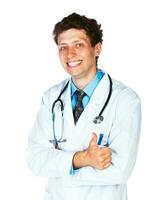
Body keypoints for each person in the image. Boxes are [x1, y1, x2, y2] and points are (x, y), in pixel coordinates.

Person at [27, 13, 141, 200]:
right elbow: (34, 160)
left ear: (97, 49)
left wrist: (60, 169)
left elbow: (120, 170)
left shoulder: (126, 100)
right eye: (63, 47)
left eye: (78, 45)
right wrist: (83, 159)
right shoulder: (51, 98)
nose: (70, 54)